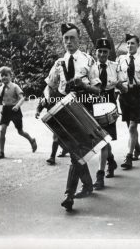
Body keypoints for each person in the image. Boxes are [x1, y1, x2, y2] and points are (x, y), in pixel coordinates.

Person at [44, 23, 101, 211]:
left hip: (83, 109)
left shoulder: (88, 60)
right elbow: (50, 86)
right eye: (65, 38)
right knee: (74, 150)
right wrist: (45, 100)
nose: (69, 42)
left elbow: (98, 89)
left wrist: (84, 86)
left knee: (77, 152)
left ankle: (69, 194)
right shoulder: (58, 63)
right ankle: (87, 183)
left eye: (72, 38)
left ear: (79, 39)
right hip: (64, 111)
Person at [92, 38, 127, 189]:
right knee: (102, 140)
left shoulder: (116, 67)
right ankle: (110, 160)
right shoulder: (91, 67)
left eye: (105, 52)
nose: (102, 55)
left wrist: (118, 84)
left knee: (105, 140)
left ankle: (100, 176)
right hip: (93, 102)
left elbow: (125, 89)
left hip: (110, 102)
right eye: (99, 51)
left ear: (109, 53)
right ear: (96, 52)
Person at [117, 34, 140, 170]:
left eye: (132, 43)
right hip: (125, 94)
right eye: (127, 43)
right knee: (130, 125)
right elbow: (117, 78)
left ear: (138, 45)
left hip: (137, 93)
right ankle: (137, 148)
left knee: (133, 126)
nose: (129, 46)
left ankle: (129, 156)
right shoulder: (120, 59)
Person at [0, 66, 37, 160]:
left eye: (6, 75)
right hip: (5, 111)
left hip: (15, 111)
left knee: (20, 131)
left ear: (10, 76)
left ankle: (31, 140)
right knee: (2, 130)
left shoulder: (15, 86)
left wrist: (17, 106)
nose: (4, 77)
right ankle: (1, 152)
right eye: (2, 75)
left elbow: (22, 98)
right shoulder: (0, 89)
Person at [35, 87, 63, 165]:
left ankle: (53, 156)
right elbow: (41, 103)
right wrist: (38, 111)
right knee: (57, 136)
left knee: (58, 136)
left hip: (64, 115)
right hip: (53, 116)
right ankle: (55, 155)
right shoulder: (47, 89)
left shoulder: (64, 87)